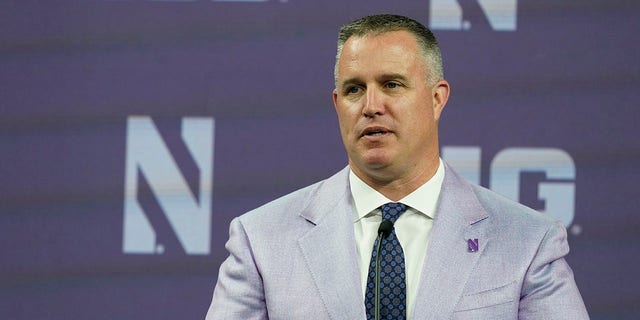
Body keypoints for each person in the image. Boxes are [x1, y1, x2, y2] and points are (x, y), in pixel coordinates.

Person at [205, 14, 589, 319]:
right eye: (355, 89)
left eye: (391, 84)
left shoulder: (526, 243)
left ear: (437, 99)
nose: (371, 105)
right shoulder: (262, 241)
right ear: (337, 104)